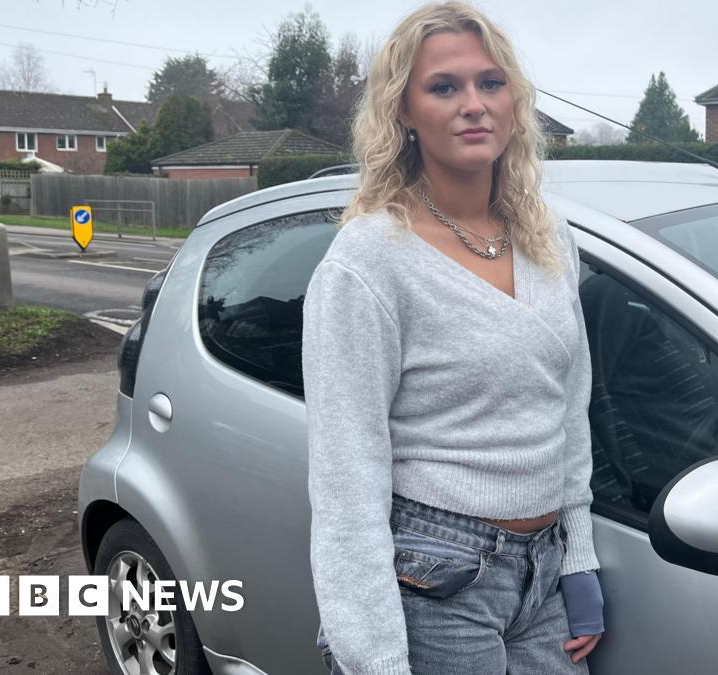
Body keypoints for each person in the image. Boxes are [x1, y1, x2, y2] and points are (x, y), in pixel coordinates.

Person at [300, 3, 604, 673]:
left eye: (491, 83)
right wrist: (373, 658)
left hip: (543, 575)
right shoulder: (370, 259)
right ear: (403, 111)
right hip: (434, 578)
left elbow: (568, 406)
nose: (474, 104)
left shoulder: (549, 238)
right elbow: (346, 476)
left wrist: (577, 555)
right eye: (444, 87)